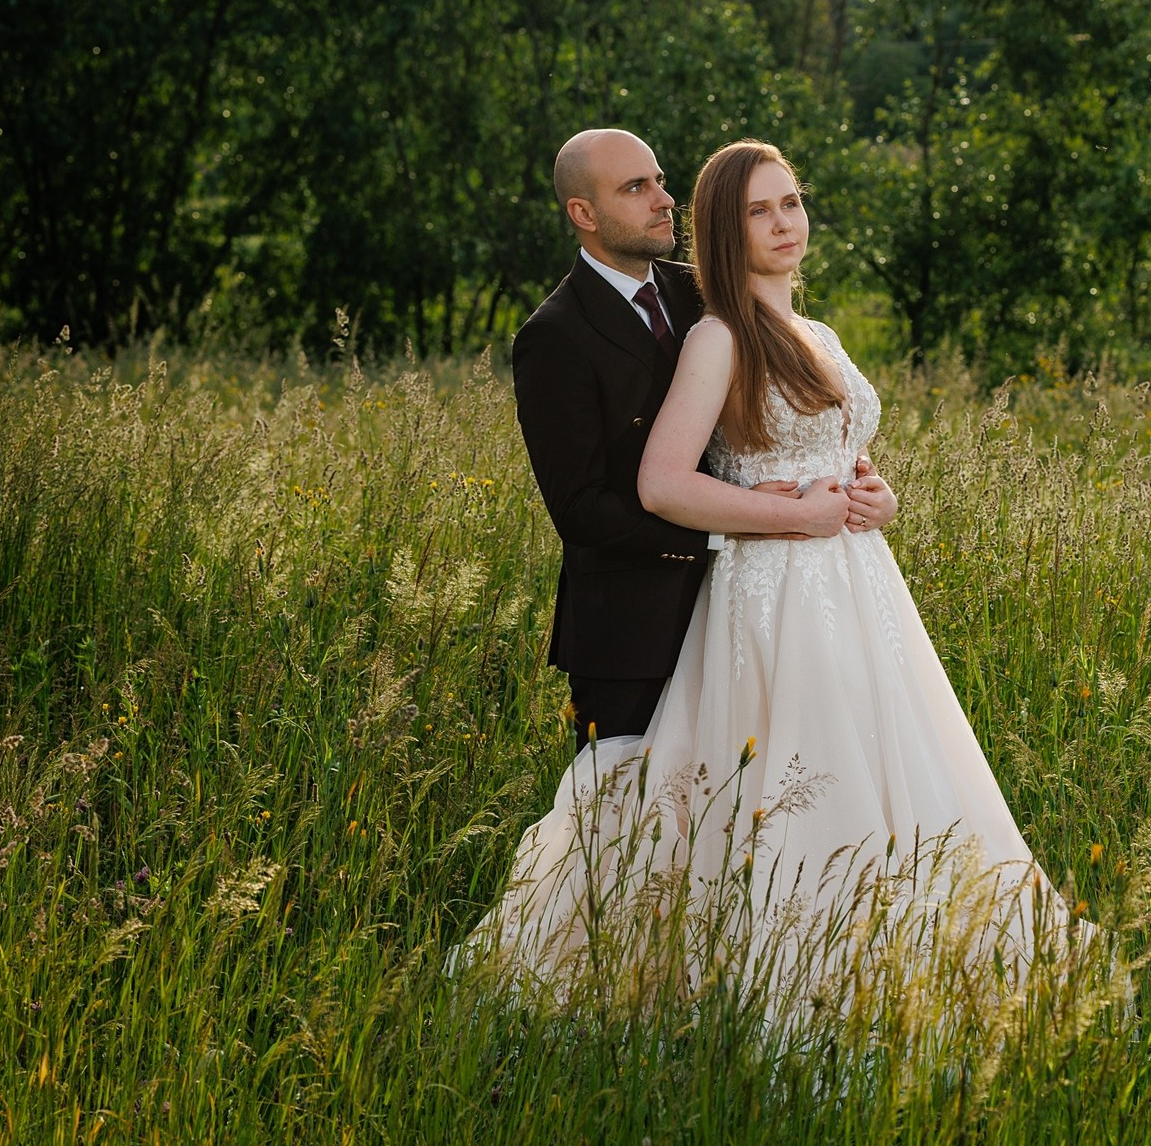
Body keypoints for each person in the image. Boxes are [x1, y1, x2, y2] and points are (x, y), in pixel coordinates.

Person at [465, 138, 1093, 1012]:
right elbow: (600, 502)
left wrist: (873, 494)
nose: (662, 199)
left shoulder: (721, 299)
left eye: (790, 202)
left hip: (850, 584)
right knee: (655, 801)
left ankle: (888, 949)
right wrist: (768, 521)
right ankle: (646, 976)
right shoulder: (572, 334)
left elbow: (823, 438)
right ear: (584, 212)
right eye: (757, 210)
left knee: (861, 766)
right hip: (663, 605)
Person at [506, 128, 897, 743]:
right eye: (636, 187)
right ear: (583, 213)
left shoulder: (708, 289)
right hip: (637, 624)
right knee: (635, 796)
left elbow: (791, 412)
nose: (664, 199)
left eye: (660, 181)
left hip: (772, 597)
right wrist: (743, 525)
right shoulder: (555, 336)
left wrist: (861, 486)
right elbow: (581, 510)